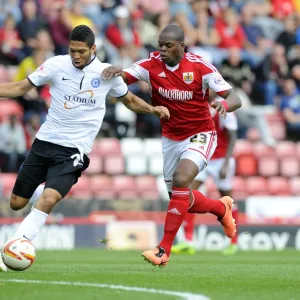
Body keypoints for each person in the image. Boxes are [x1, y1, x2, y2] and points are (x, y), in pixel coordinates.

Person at [0, 25, 170, 272]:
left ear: (93, 49)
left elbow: (130, 101)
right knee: (16, 202)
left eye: (81, 51)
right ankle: (35, 203)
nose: (76, 56)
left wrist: (154, 110)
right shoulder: (56, 65)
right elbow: (19, 88)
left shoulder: (106, 73)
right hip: (44, 143)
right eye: (72, 51)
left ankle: (18, 244)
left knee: (50, 197)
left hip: (74, 151)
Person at [102, 24, 242, 267]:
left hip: (201, 133)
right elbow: (127, 76)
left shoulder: (201, 67)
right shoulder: (151, 64)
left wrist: (224, 106)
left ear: (181, 47)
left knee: (181, 179)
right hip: (171, 139)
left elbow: (235, 97)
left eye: (168, 46)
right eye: (160, 46)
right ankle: (221, 209)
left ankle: (163, 250)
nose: (163, 50)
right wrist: (117, 71)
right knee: (180, 197)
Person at [172, 105, 239, 255]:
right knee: (187, 194)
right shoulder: (195, 103)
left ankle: (233, 242)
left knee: (228, 199)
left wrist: (226, 163)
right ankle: (187, 241)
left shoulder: (223, 108)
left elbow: (233, 136)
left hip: (221, 160)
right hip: (202, 156)